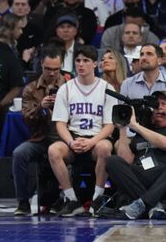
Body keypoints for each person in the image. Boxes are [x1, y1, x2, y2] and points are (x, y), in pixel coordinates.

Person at [48, 45, 116, 217]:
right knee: (53, 150)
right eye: (78, 60)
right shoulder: (66, 88)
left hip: (96, 139)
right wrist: (71, 142)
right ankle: (72, 200)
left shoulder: (107, 88)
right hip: (74, 139)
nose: (81, 64)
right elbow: (60, 124)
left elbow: (110, 125)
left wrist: (92, 142)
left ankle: (97, 199)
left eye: (86, 60)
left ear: (94, 64)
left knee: (105, 148)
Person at [12, 45, 66, 216]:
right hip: (40, 138)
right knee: (19, 154)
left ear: (61, 66)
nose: (52, 73)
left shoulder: (69, 87)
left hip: (64, 139)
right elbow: (27, 119)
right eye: (48, 69)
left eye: (56, 70)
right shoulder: (30, 88)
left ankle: (66, 200)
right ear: (41, 65)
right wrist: (41, 108)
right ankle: (22, 202)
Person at [108, 91, 166, 219]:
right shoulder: (144, 128)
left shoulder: (140, 128)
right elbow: (126, 159)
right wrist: (123, 127)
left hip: (164, 178)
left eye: (164, 103)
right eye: (156, 104)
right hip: (141, 176)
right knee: (112, 161)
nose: (159, 107)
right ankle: (152, 205)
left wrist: (135, 126)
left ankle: (142, 203)